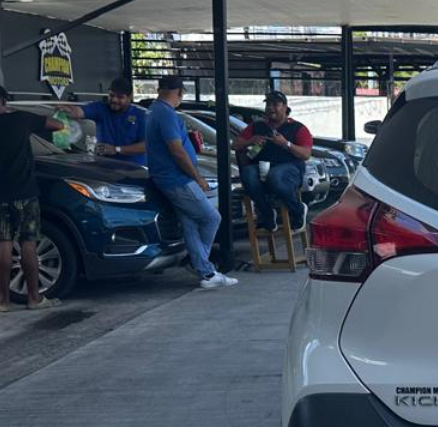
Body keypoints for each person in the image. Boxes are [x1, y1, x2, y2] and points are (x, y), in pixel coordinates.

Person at [0, 82, 65, 312]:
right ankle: (34, 298)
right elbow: (57, 125)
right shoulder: (21, 120)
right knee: (28, 244)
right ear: (4, 100)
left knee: (3, 246)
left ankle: (3, 300)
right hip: (25, 193)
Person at [144, 75, 238, 289]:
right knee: (211, 218)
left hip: (168, 177)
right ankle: (202, 267)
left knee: (190, 223)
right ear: (179, 92)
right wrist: (197, 177)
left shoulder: (154, 111)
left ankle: (204, 270)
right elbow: (176, 150)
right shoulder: (165, 114)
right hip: (177, 178)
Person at [234, 90, 313, 230]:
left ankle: (298, 210)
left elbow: (306, 154)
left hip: (289, 169)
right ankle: (267, 214)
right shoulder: (257, 126)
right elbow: (235, 144)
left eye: (275, 104)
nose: (270, 108)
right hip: (262, 167)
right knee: (247, 174)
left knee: (275, 175)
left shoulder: (297, 128)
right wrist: (251, 141)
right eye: (268, 104)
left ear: (285, 107)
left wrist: (286, 144)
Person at [59, 76, 146, 163]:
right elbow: (80, 111)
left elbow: (147, 146)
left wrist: (116, 149)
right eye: (111, 95)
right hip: (104, 168)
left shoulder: (141, 115)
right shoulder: (101, 108)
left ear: (129, 98)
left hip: (134, 170)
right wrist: (69, 110)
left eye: (120, 97)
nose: (114, 100)